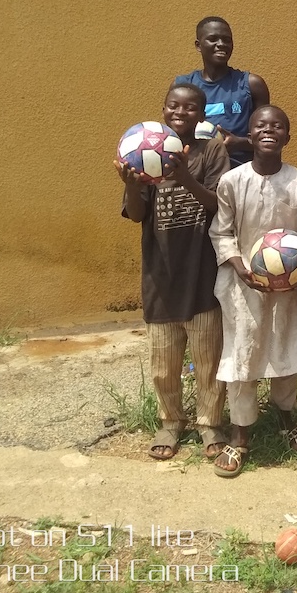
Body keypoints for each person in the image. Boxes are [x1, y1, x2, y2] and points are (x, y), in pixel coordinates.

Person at [116, 81, 229, 462]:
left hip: (202, 275)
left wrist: (184, 178)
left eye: (190, 108)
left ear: (202, 114)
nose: (180, 113)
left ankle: (210, 423)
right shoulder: (144, 155)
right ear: (163, 110)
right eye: (173, 106)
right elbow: (136, 215)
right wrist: (132, 186)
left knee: (208, 359)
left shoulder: (211, 151)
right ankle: (170, 421)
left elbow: (218, 205)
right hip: (160, 277)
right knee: (164, 363)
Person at [208, 105, 297, 478]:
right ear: (250, 135)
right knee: (244, 352)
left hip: (287, 285)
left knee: (285, 346)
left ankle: (286, 416)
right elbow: (221, 231)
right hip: (243, 285)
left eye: (277, 126)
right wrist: (241, 267)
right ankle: (240, 435)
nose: (269, 130)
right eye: (261, 125)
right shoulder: (232, 182)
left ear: (288, 135)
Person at [177, 16, 271, 168]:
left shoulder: (252, 84)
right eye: (213, 39)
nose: (221, 44)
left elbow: (268, 138)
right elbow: (173, 136)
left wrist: (239, 143)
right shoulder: (183, 87)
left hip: (240, 173)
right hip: (195, 175)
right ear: (198, 45)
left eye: (227, 40)